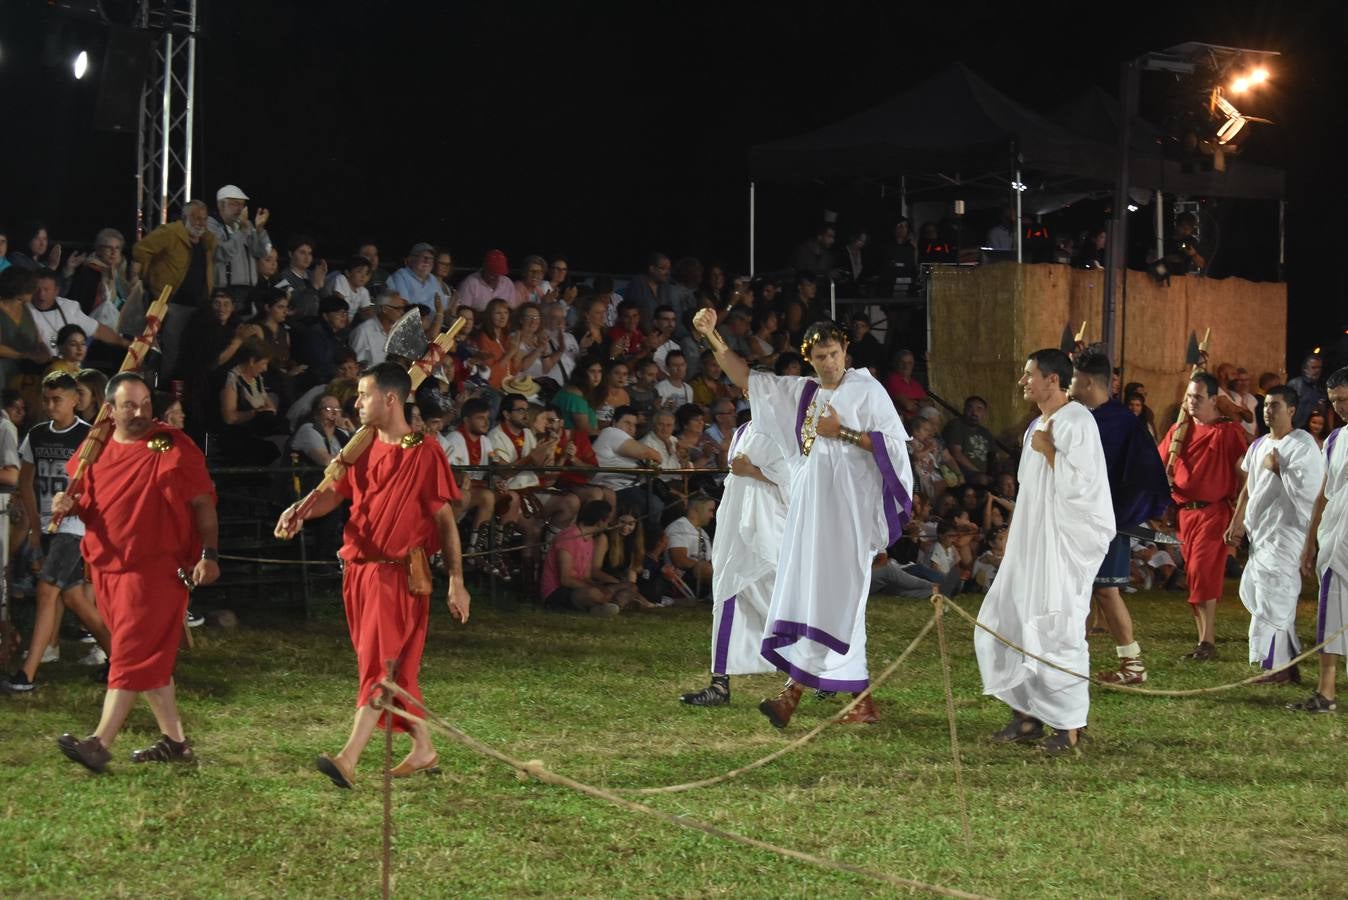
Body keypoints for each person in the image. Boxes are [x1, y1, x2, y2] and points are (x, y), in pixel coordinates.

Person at [693, 312, 913, 727]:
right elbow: (746, 378)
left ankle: (803, 696)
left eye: (835, 353)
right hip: (811, 512)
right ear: (808, 358)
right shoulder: (801, 393)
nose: (830, 362)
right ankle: (840, 699)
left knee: (840, 601)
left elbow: (894, 449)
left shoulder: (867, 391)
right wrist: (711, 337)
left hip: (848, 515)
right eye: (821, 356)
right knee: (814, 599)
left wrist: (843, 432)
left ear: (846, 350)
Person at [275, 363, 470, 787]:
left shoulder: (422, 449)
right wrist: (301, 512)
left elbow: (445, 520)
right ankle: (423, 749)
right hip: (358, 571)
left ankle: (348, 757)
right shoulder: (360, 447)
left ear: (391, 399)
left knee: (380, 670)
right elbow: (335, 494)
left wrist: (457, 579)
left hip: (397, 575)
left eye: (363, 395)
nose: (356, 403)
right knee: (390, 669)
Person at [51, 372, 220, 773]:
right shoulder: (96, 448)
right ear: (110, 409)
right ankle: (176, 743)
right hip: (108, 566)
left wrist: (209, 554)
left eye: (146, 403)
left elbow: (202, 503)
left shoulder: (173, 445)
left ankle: (99, 743)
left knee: (128, 653)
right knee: (146, 658)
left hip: (157, 570)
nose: (141, 412)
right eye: (130, 405)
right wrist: (67, 503)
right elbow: (90, 503)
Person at [975, 349, 1113, 753]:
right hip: (1031, 545)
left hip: (1061, 548)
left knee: (1058, 630)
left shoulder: (1077, 422)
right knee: (1008, 623)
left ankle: (1068, 727)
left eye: (1029, 374)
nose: (1023, 381)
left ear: (1052, 380)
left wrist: (1049, 450)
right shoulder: (1037, 424)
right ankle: (1026, 717)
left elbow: (1085, 488)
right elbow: (1031, 493)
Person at [1068, 350, 1173, 685]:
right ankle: (1074, 663)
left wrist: (1119, 515)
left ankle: (1131, 664)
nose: (1070, 384)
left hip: (1107, 523)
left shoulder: (1115, 421)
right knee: (1084, 591)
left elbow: (1140, 474)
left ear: (1085, 381)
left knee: (1104, 591)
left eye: (1072, 377)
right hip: (1089, 521)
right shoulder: (1095, 417)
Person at [1, 374, 110, 693]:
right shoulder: (35, 435)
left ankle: (27, 674)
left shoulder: (89, 436)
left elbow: (99, 485)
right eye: (46, 400)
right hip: (48, 523)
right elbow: (26, 481)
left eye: (57, 400)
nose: (50, 406)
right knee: (74, 597)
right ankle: (121, 660)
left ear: (75, 399)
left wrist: (78, 506)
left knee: (47, 590)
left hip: (75, 526)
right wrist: (34, 526)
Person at [681, 418, 789, 706]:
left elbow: (797, 481)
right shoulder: (744, 430)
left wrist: (752, 470)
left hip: (770, 533)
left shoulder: (788, 428)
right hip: (736, 531)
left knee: (783, 608)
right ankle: (719, 684)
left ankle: (833, 672)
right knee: (727, 598)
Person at [1225, 386, 1323, 682]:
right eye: (1266, 405)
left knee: (1275, 595)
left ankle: (1275, 667)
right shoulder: (1258, 446)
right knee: (1265, 592)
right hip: (1262, 535)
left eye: (1275, 405)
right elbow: (1248, 486)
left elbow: (1312, 489)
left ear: (1291, 410)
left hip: (1287, 533)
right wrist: (1236, 520)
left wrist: (1280, 470)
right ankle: (1288, 665)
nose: (1268, 410)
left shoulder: (1303, 444)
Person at [1159, 372, 1247, 661]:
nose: (1191, 402)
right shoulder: (1178, 432)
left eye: (1197, 397)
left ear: (1213, 400)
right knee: (1194, 575)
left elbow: (1245, 470)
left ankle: (1207, 640)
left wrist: (1242, 512)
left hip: (1214, 512)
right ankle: (1202, 640)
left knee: (1202, 571)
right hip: (1186, 514)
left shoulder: (1227, 432)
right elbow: (1157, 465)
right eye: (1188, 397)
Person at [1296, 366, 1348, 712]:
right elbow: (1324, 494)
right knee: (1332, 612)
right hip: (1337, 536)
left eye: (1344, 398)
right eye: (1335, 401)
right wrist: (1310, 541)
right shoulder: (1335, 440)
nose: (1341, 406)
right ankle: (1326, 691)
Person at [132, 200, 217, 378]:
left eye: (204, 218)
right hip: (173, 305)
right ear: (185, 217)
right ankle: (166, 391)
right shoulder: (170, 233)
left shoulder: (207, 240)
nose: (200, 222)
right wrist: (142, 279)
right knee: (172, 354)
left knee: (194, 354)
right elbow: (141, 250)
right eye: (196, 217)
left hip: (199, 306)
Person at [540, 500, 634, 616]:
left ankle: (605, 606)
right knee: (593, 593)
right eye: (608, 520)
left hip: (579, 586)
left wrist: (602, 587)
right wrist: (598, 589)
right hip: (557, 591)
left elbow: (586, 576)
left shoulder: (589, 540)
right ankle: (608, 604)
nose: (609, 524)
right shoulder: (569, 537)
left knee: (629, 586)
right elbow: (565, 580)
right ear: (600, 522)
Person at [207, 184, 272, 294]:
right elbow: (221, 253)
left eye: (242, 204)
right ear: (221, 205)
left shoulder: (246, 225)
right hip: (223, 291)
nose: (240, 209)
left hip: (249, 291)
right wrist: (242, 231)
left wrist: (260, 229)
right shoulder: (211, 225)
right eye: (235, 204)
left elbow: (261, 253)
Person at [664, 493, 717, 597]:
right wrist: (705, 567)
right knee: (707, 569)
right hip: (682, 577)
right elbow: (679, 560)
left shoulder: (703, 533)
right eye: (710, 510)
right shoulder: (679, 527)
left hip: (700, 577)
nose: (712, 516)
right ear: (697, 508)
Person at [943, 396, 998, 486]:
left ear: (984, 414)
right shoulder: (957, 426)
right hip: (965, 473)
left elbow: (992, 456)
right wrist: (978, 472)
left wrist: (993, 474)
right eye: (970, 408)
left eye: (979, 409)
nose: (974, 413)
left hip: (983, 473)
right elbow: (956, 453)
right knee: (982, 480)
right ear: (964, 410)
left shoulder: (985, 432)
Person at [386, 243, 443, 312]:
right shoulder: (401, 275)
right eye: (424, 257)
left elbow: (442, 303)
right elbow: (404, 306)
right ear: (411, 259)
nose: (427, 261)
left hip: (436, 319)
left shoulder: (433, 279)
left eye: (431, 258)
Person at [1287, 354, 1327, 431]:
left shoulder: (1321, 388)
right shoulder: (1294, 384)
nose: (1317, 370)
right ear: (1305, 369)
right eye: (1313, 367)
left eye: (1319, 368)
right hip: (1294, 430)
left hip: (1312, 433)